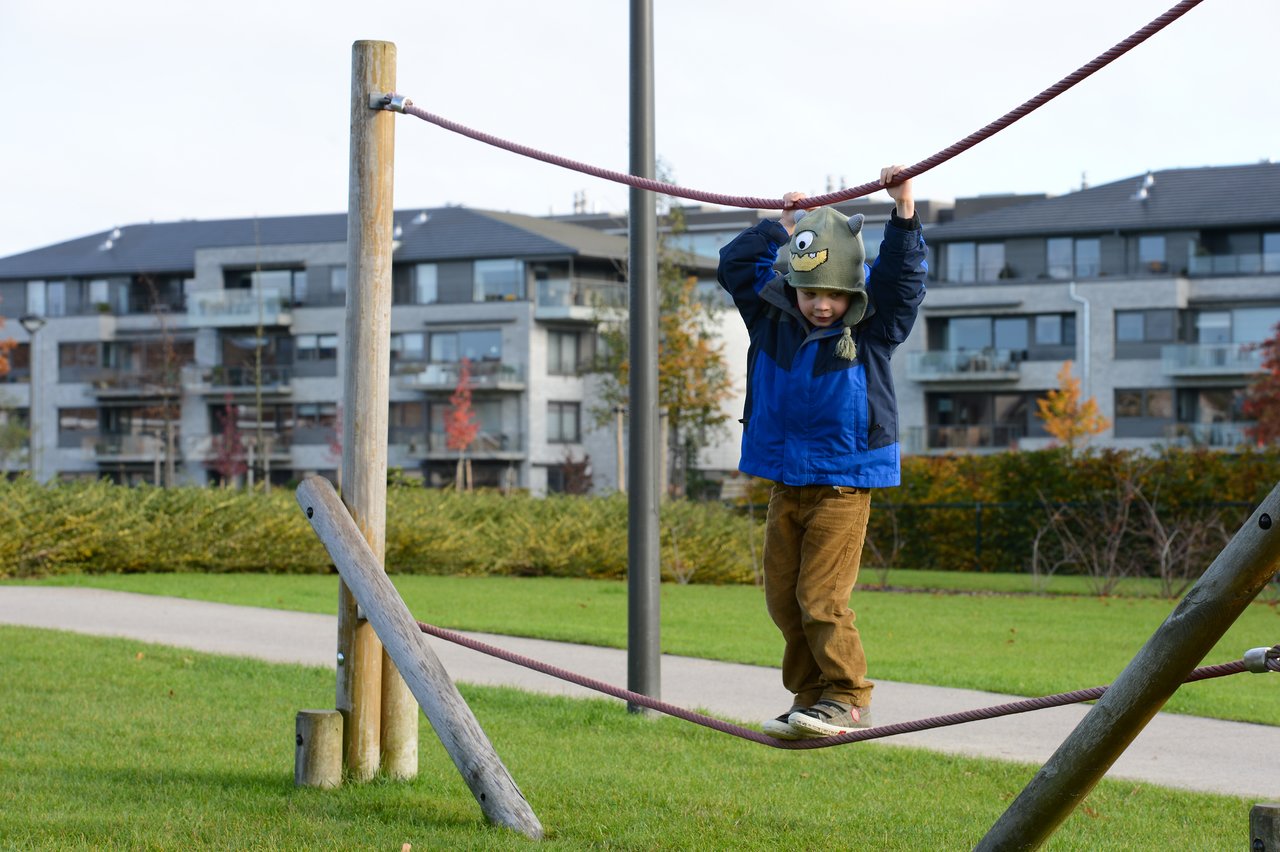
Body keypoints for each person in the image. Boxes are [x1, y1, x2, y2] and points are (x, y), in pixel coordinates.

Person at [716, 165, 927, 739]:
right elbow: (734, 266)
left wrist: (903, 209)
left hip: (842, 485)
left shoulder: (873, 325)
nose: (822, 305)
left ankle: (848, 697)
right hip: (787, 484)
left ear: (851, 294)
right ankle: (811, 700)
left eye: (834, 294)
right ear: (793, 288)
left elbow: (902, 280)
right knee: (784, 600)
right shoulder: (771, 319)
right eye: (811, 293)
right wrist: (781, 230)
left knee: (821, 598)